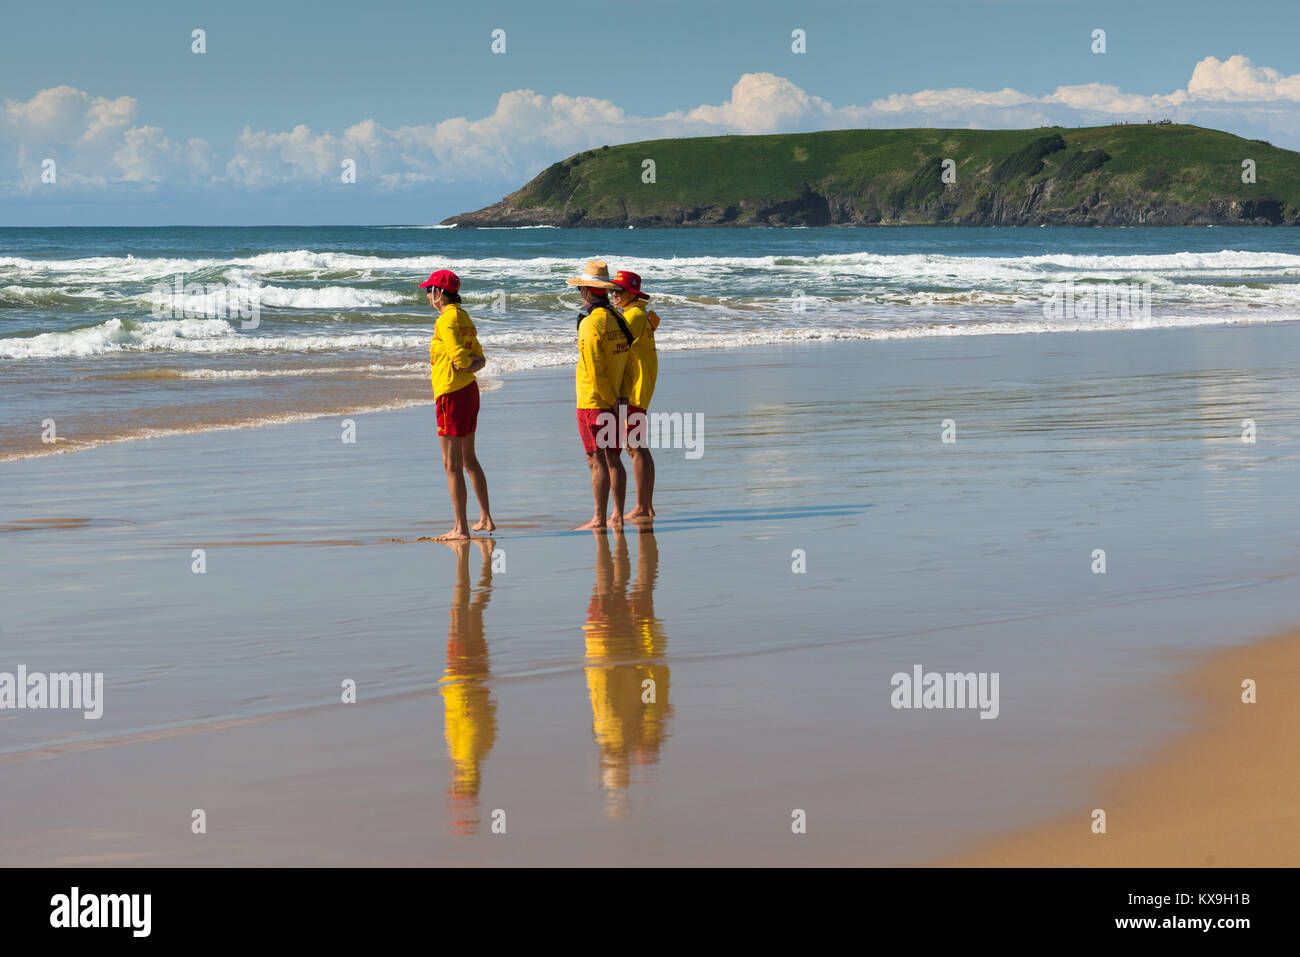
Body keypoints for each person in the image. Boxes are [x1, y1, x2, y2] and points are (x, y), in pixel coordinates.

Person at [422, 268, 495, 540]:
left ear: (440, 293)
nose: (428, 295)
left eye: (430, 290)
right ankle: (485, 517)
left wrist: (467, 364)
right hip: (469, 392)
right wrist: (472, 364)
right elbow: (480, 358)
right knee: (469, 459)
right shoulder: (463, 317)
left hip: (451, 394)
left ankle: (460, 528)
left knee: (451, 464)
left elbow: (462, 359)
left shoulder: (444, 321)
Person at [566, 260, 631, 530]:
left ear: (587, 292)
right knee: (614, 458)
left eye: (581, 289)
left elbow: (594, 370)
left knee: (596, 460)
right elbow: (628, 362)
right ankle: (616, 515)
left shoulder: (591, 324)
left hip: (594, 401)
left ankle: (598, 518)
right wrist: (622, 399)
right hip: (618, 396)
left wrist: (610, 402)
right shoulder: (618, 319)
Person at [608, 270, 657, 521]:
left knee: (634, 446)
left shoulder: (634, 316)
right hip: (641, 386)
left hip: (633, 390)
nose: (613, 295)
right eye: (611, 291)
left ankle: (642, 507)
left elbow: (613, 342)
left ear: (632, 293)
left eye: (618, 291)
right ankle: (645, 506)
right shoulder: (639, 314)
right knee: (638, 447)